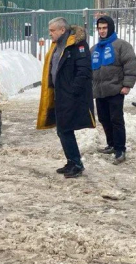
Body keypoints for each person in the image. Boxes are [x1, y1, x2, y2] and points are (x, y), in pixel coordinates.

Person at [37, 17, 96, 178]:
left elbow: (84, 71)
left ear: (62, 30)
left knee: (65, 129)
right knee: (62, 130)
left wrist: (72, 91)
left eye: (52, 30)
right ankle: (71, 161)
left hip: (70, 96)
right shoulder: (56, 46)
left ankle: (77, 164)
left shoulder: (78, 45)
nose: (50, 34)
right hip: (59, 94)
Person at [91, 16, 136, 164]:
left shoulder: (122, 45)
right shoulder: (95, 48)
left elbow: (130, 65)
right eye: (99, 28)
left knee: (116, 120)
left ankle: (120, 149)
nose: (102, 31)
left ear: (110, 28)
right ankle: (111, 144)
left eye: (104, 28)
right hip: (99, 91)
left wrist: (127, 85)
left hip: (116, 89)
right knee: (104, 119)